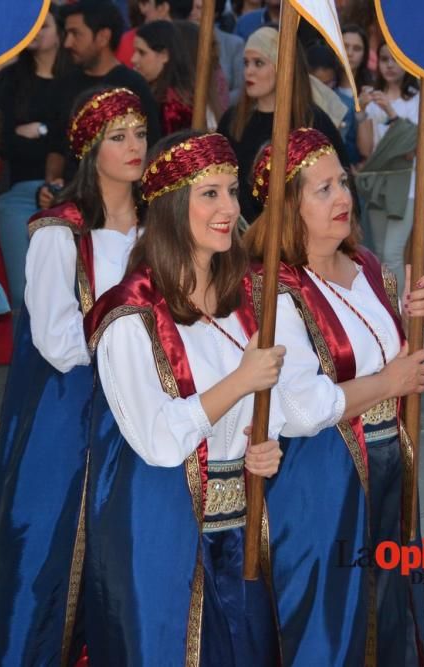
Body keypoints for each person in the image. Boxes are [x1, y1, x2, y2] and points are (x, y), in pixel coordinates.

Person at [83, 130, 285, 664]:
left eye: (232, 191)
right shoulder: (129, 316)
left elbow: (265, 404)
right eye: (209, 194)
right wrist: (241, 381)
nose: (228, 209)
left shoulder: (244, 299)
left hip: (237, 526)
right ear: (174, 206)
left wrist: (264, 446)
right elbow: (158, 439)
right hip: (160, 527)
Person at [243, 127, 424, 666]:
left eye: (343, 182)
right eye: (322, 189)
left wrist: (418, 326)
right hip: (321, 485)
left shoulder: (370, 268)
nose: (343, 198)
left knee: (390, 615)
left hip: (389, 472)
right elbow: (302, 408)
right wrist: (389, 383)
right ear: (288, 206)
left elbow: (418, 363)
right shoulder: (273, 291)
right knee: (332, 626)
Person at [0, 87, 147, 667]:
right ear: (89, 150)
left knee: (126, 562)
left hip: (145, 413)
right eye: (118, 137)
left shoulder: (162, 223)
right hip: (70, 411)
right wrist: (137, 331)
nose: (134, 147)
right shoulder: (60, 232)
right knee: (47, 552)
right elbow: (55, 340)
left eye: (140, 134)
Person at [217, 26, 348, 222]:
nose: (248, 72)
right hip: (242, 236)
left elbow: (343, 180)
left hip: (301, 234)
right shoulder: (233, 120)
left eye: (258, 63)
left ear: (282, 66)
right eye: (246, 63)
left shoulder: (314, 121)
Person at [40, 0, 160, 209]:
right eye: (66, 34)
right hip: (74, 200)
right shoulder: (63, 84)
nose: (67, 42)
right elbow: (55, 148)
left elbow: (153, 147)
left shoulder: (133, 85)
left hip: (126, 203)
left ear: (103, 37)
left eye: (76, 34)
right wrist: (52, 187)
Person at [0, 7, 70, 313]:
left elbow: (69, 141)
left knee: (65, 292)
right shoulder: (10, 79)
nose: (36, 32)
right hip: (18, 195)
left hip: (67, 191)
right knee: (23, 293)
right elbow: (4, 141)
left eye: (44, 25)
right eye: (32, 26)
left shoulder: (74, 78)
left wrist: (39, 130)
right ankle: (24, 362)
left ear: (61, 33)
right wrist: (49, 136)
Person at [354, 43, 421, 293]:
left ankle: (399, 316)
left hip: (406, 185)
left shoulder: (416, 99)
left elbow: (412, 149)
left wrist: (391, 113)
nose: (390, 65)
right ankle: (387, 312)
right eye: (384, 59)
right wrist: (360, 112)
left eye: (396, 59)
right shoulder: (372, 99)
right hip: (379, 183)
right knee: (380, 254)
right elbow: (366, 150)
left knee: (392, 254)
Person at [133, 19, 194, 134]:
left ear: (164, 56)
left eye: (142, 52)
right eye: (135, 51)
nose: (134, 59)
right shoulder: (152, 91)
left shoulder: (173, 106)